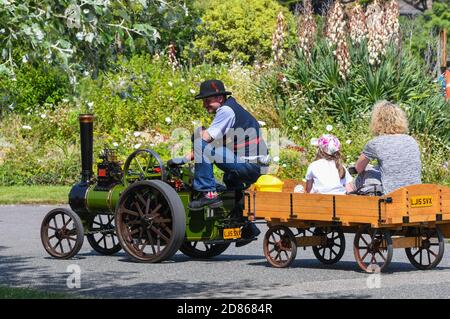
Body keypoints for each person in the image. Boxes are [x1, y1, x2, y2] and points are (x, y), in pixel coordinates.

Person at [169, 79, 268, 212]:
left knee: (199, 140)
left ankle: (209, 193)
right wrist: (183, 160)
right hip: (256, 166)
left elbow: (204, 142)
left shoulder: (226, 111)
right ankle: (240, 216)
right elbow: (212, 147)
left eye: (207, 100)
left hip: (250, 166)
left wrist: (199, 133)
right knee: (230, 180)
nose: (204, 105)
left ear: (220, 98)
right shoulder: (233, 109)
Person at [354, 100, 422, 194]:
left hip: (393, 196)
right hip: (415, 194)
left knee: (364, 173)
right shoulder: (411, 140)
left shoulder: (375, 143)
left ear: (377, 121)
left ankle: (352, 202)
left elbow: (358, 168)